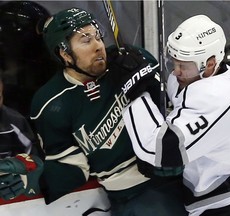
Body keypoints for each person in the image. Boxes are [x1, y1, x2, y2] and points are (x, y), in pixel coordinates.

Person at [25, 7, 187, 215]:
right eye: (86, 40)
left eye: (97, 36)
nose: (98, 46)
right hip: (123, 200)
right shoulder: (50, 103)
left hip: (171, 184)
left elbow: (178, 110)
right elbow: (73, 166)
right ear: (65, 53)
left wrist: (150, 82)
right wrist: (34, 178)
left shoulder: (130, 62)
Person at [122, 15, 230, 216]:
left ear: (209, 64)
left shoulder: (217, 96)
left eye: (183, 66)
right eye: (174, 62)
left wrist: (133, 94)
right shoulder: (199, 78)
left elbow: (158, 150)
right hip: (216, 204)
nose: (175, 72)